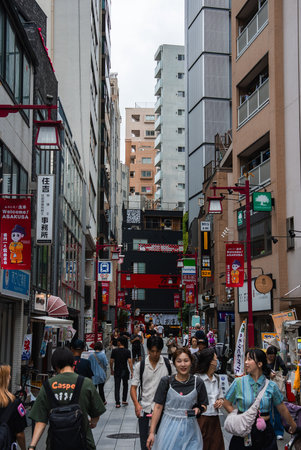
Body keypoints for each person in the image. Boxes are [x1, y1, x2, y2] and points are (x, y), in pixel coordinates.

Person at [29, 347, 105, 450]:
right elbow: (96, 413)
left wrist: (32, 446)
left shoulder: (47, 386)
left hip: (55, 444)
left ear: (55, 365)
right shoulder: (86, 383)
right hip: (83, 444)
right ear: (72, 362)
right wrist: (93, 422)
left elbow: (40, 421)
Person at [223, 348, 297, 450]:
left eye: (249, 359)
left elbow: (282, 407)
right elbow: (226, 403)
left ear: (260, 364)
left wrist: (292, 424)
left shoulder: (271, 386)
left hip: (265, 431)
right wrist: (240, 418)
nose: (246, 362)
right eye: (246, 359)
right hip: (244, 431)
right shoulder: (238, 382)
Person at [146, 348, 208, 450]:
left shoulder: (198, 382)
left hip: (190, 429)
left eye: (186, 361)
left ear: (191, 362)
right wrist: (152, 432)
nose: (183, 364)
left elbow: (204, 404)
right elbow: (157, 407)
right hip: (168, 428)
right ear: (174, 363)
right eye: (179, 361)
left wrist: (199, 409)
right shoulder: (166, 382)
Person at [130, 335, 174, 450]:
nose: (155, 354)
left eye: (158, 351)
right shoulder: (140, 366)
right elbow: (133, 388)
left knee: (163, 444)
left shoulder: (168, 365)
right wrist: (136, 405)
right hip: (145, 409)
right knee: (145, 444)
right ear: (148, 350)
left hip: (164, 411)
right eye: (152, 351)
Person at [197, 348, 225, 450]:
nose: (217, 362)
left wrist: (220, 401)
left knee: (216, 446)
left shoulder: (216, 378)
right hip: (201, 419)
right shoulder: (197, 379)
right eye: (215, 359)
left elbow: (221, 397)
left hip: (215, 419)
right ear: (209, 362)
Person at [0, 363, 26, 450]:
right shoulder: (15, 403)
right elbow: (19, 434)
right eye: (9, 375)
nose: (10, 377)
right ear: (5, 379)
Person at [266, 345, 288, 440]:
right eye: (270, 355)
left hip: (276, 388)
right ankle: (270, 431)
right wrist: (268, 375)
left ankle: (279, 431)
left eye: (273, 355)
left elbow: (285, 369)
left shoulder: (278, 359)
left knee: (277, 410)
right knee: (268, 410)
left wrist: (282, 377)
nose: (271, 357)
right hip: (266, 387)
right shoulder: (263, 360)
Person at [110, 336, 133, 407]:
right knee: (125, 385)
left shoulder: (114, 351)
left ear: (119, 342)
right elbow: (130, 362)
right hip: (125, 370)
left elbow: (111, 361)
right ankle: (124, 400)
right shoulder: (127, 351)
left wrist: (111, 369)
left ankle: (117, 403)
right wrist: (132, 371)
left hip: (117, 369)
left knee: (117, 386)